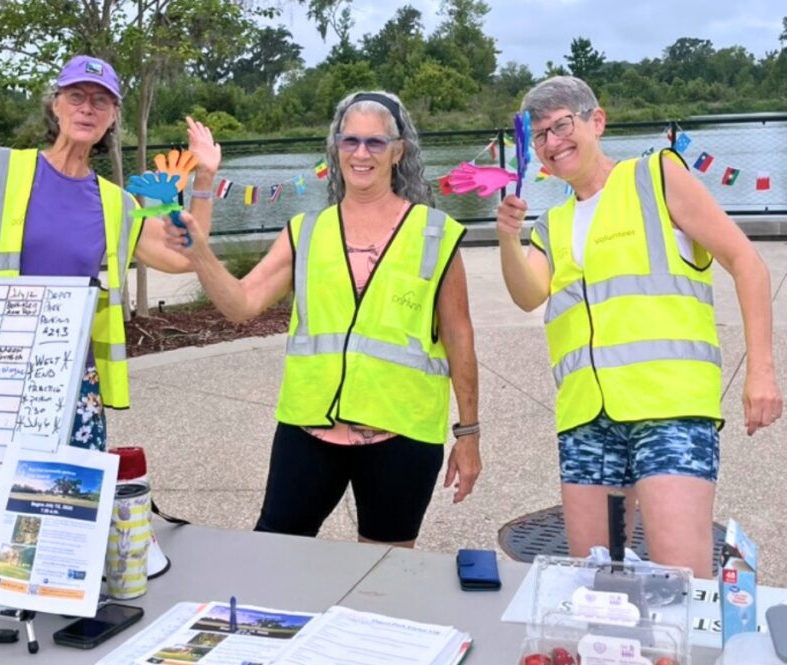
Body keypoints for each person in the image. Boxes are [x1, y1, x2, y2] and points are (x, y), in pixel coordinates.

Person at [162, 91, 481, 547]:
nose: (361, 153)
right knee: (271, 560)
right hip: (308, 431)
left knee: (383, 573)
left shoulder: (436, 232)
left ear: (398, 151)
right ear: (335, 149)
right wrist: (200, 253)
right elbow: (241, 305)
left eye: (375, 142)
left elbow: (459, 336)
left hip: (402, 437)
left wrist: (468, 435)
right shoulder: (305, 231)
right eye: (350, 141)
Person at [495, 76, 783, 577]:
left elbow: (746, 262)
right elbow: (528, 294)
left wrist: (761, 370)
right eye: (540, 135)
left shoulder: (656, 177)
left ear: (596, 121)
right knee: (595, 579)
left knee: (681, 576)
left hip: (669, 407)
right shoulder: (552, 223)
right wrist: (507, 237)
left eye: (562, 125)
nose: (552, 142)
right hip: (587, 416)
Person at [0, 45, 222, 451]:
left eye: (100, 100)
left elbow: (185, 257)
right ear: (55, 106)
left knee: (67, 507)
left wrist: (205, 179)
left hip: (70, 385)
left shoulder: (116, 203)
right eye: (76, 96)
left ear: (112, 118)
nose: (87, 108)